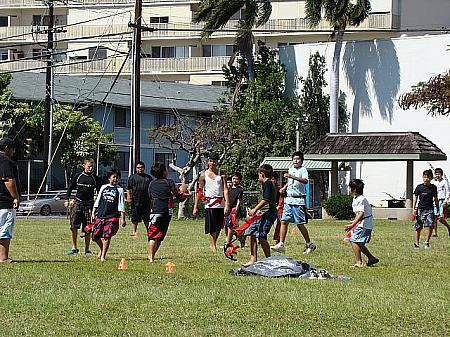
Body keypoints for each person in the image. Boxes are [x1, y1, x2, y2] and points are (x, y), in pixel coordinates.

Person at [271, 151, 316, 254]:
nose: (295, 161)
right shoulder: (290, 169)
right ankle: (281, 243)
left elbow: (305, 181)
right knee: (283, 221)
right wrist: (284, 187)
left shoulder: (303, 170)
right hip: (288, 199)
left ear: (301, 160)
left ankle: (309, 244)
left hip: (298, 200)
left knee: (299, 224)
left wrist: (292, 177)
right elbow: (290, 182)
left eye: (298, 159)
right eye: (294, 159)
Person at [147, 163, 190, 262]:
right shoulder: (169, 182)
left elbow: (149, 197)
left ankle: (151, 257)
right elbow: (178, 196)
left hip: (154, 212)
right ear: (163, 172)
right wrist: (186, 195)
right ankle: (152, 256)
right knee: (161, 235)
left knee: (153, 235)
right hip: (166, 212)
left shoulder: (151, 184)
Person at [65, 159, 102, 256]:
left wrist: (97, 205)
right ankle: (74, 247)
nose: (90, 168)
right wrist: (67, 199)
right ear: (84, 166)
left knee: (87, 228)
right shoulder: (78, 176)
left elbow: (99, 192)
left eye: (92, 167)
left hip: (89, 205)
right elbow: (70, 187)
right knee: (73, 226)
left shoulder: (95, 178)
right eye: (89, 166)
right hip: (78, 204)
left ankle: (87, 249)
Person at [242, 164, 277, 267]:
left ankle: (269, 260)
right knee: (251, 233)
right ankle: (253, 259)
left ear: (262, 174)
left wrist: (255, 209)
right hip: (261, 214)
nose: (258, 176)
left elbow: (265, 200)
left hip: (268, 214)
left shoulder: (268, 184)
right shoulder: (266, 184)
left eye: (258, 174)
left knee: (261, 237)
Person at [193, 152, 229, 252]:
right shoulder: (203, 175)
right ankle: (213, 245)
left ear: (217, 162)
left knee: (218, 226)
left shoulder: (222, 174)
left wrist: (227, 203)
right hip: (209, 203)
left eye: (214, 161)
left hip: (220, 203)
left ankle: (214, 243)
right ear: (208, 162)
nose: (212, 163)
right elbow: (199, 191)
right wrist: (195, 206)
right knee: (212, 226)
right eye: (210, 161)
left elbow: (225, 189)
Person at [91, 168, 126, 261]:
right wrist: (94, 212)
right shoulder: (103, 187)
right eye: (114, 177)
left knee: (107, 235)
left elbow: (121, 204)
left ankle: (103, 256)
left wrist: (123, 218)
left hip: (112, 216)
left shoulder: (120, 189)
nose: (115, 179)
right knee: (95, 236)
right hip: (101, 215)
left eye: (117, 178)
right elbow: (98, 200)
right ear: (109, 178)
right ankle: (102, 249)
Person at [344, 179, 379, 267]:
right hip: (364, 222)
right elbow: (360, 214)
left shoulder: (360, 199)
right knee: (359, 242)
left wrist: (352, 225)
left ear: (354, 189)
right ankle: (371, 258)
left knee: (354, 240)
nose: (349, 189)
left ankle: (358, 262)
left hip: (365, 224)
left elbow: (361, 213)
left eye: (350, 187)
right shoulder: (357, 198)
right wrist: (354, 222)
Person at [0, 138, 20, 263]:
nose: (13, 152)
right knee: (4, 229)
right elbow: (7, 180)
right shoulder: (6, 161)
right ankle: (3, 257)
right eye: (13, 149)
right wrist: (15, 197)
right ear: (7, 147)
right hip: (4, 202)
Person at [412, 169, 439, 249]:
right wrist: (414, 208)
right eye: (424, 177)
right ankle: (416, 244)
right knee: (418, 227)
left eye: (427, 177)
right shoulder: (419, 187)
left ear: (430, 178)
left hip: (430, 209)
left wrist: (437, 208)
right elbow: (415, 198)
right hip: (420, 209)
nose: (425, 179)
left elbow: (436, 198)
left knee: (430, 225)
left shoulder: (433, 187)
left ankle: (427, 242)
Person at [127, 161, 152, 238]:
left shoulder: (148, 178)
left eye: (141, 167)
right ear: (136, 168)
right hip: (135, 201)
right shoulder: (132, 177)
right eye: (138, 168)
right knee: (135, 217)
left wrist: (152, 200)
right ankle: (134, 231)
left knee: (146, 218)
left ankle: (149, 232)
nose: (140, 169)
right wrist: (129, 197)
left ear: (144, 168)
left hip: (146, 201)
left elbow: (151, 190)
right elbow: (129, 188)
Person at [224, 172, 244, 244]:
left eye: (237, 179)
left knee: (231, 226)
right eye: (234, 179)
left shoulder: (240, 190)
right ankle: (241, 237)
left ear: (239, 180)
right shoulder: (228, 189)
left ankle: (228, 242)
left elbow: (239, 201)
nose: (235, 180)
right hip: (228, 209)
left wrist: (236, 210)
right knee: (227, 225)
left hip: (234, 210)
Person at [431, 168, 450, 236]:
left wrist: (445, 201)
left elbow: (448, 192)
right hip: (434, 201)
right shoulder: (434, 182)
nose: (437, 175)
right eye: (436, 174)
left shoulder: (444, 182)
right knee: (434, 217)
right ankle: (434, 232)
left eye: (439, 174)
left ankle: (448, 226)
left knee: (440, 217)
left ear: (441, 175)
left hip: (442, 200)